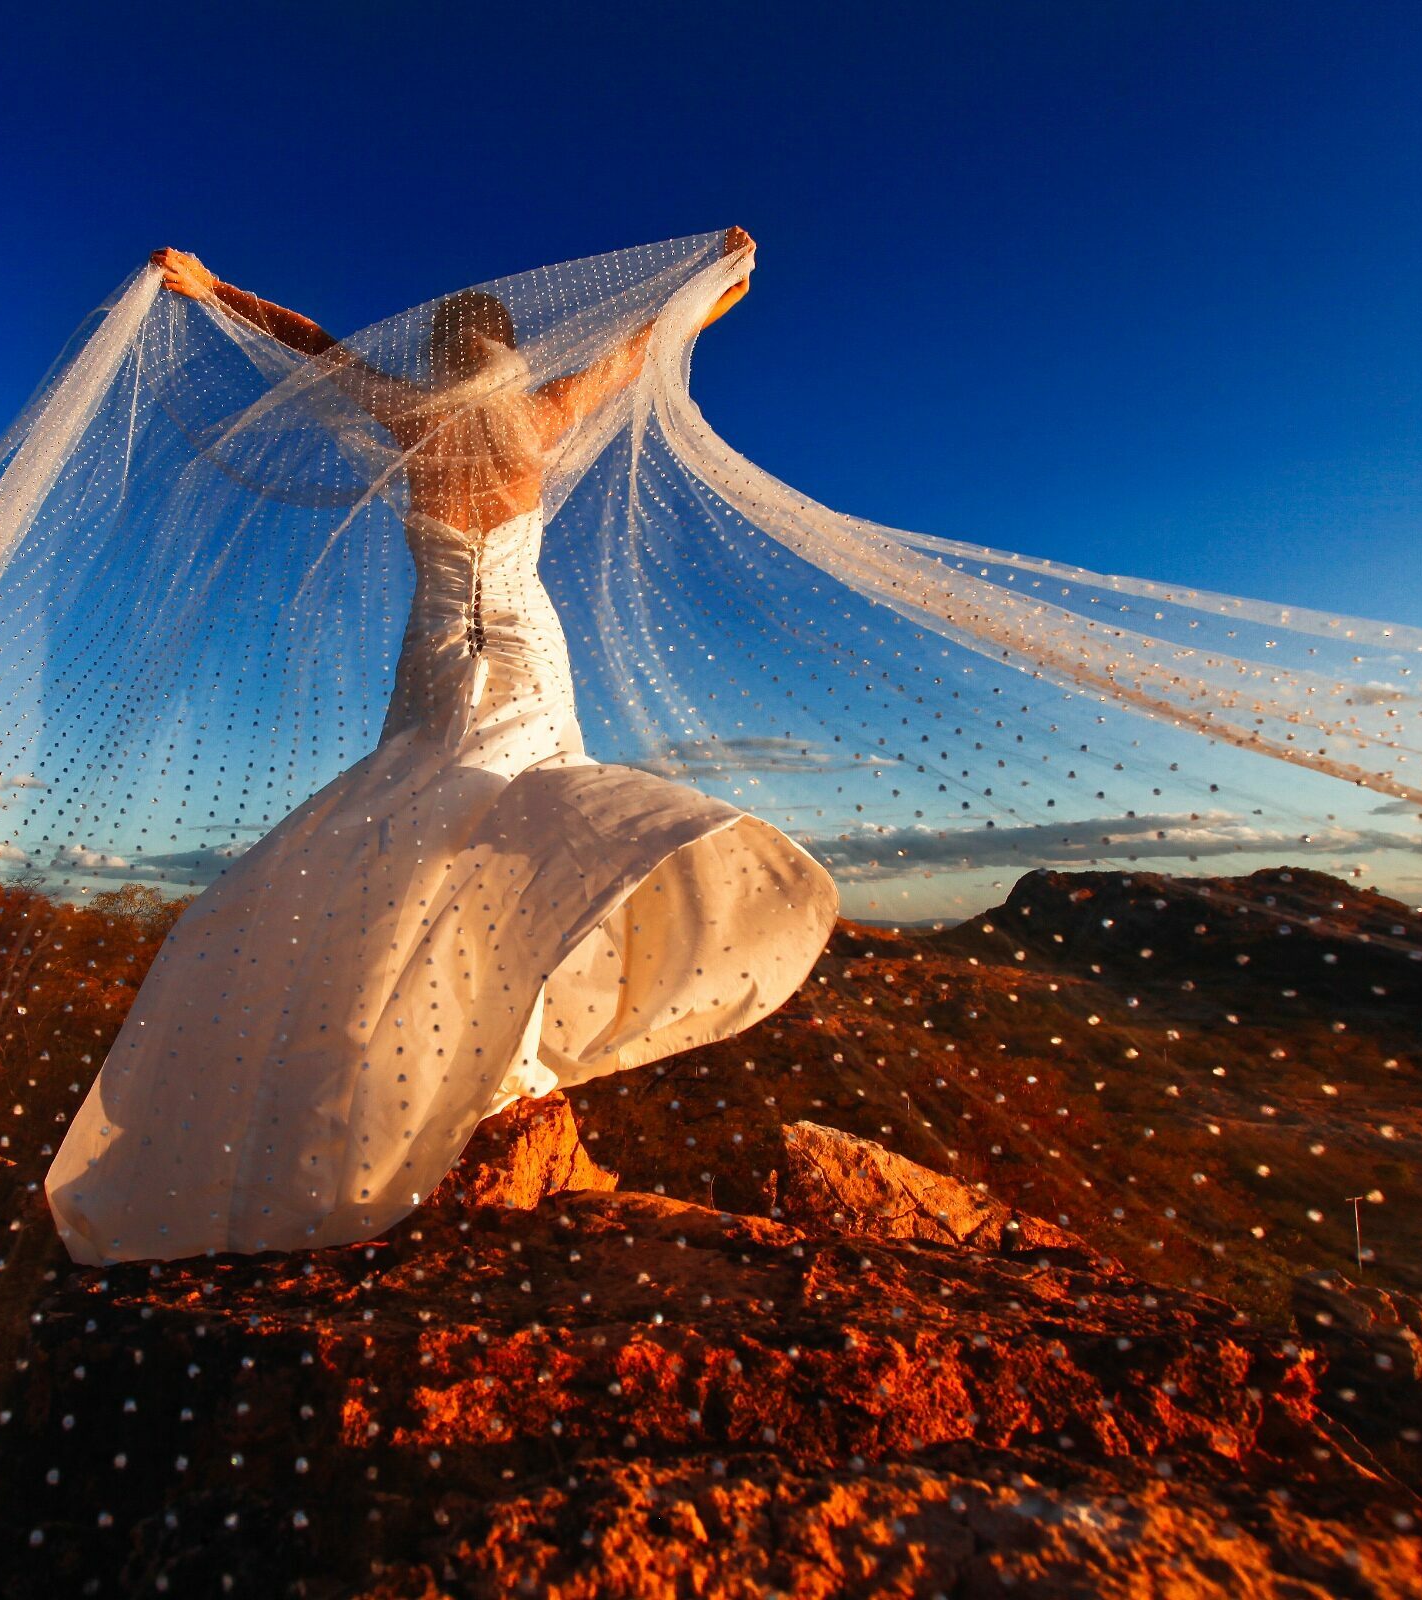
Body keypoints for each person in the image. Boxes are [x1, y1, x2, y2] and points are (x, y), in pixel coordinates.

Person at [47, 231, 836, 1263]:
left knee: (435, 836)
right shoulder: (543, 411)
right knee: (508, 827)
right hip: (516, 642)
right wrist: (719, 282)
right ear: (506, 351)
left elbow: (310, 345)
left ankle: (451, 1048)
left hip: (440, 647)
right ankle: (491, 1049)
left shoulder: (412, 414)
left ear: (442, 354)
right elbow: (647, 345)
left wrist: (210, 289)